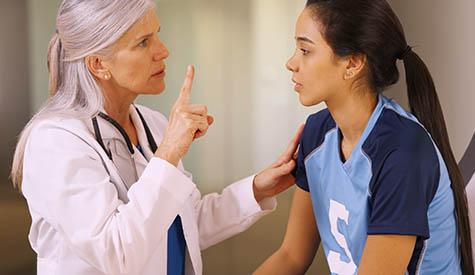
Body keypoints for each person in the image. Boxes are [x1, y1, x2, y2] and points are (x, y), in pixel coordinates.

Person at [10, 1, 302, 274]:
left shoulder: (153, 124)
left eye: (156, 35)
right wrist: (169, 153)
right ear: (99, 64)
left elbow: (181, 225)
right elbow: (116, 252)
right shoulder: (54, 142)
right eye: (143, 42)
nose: (163, 51)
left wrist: (256, 190)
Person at [255, 0, 473, 274]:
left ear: (353, 63)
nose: (291, 63)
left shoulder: (401, 152)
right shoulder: (316, 133)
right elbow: (291, 256)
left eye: (305, 50)